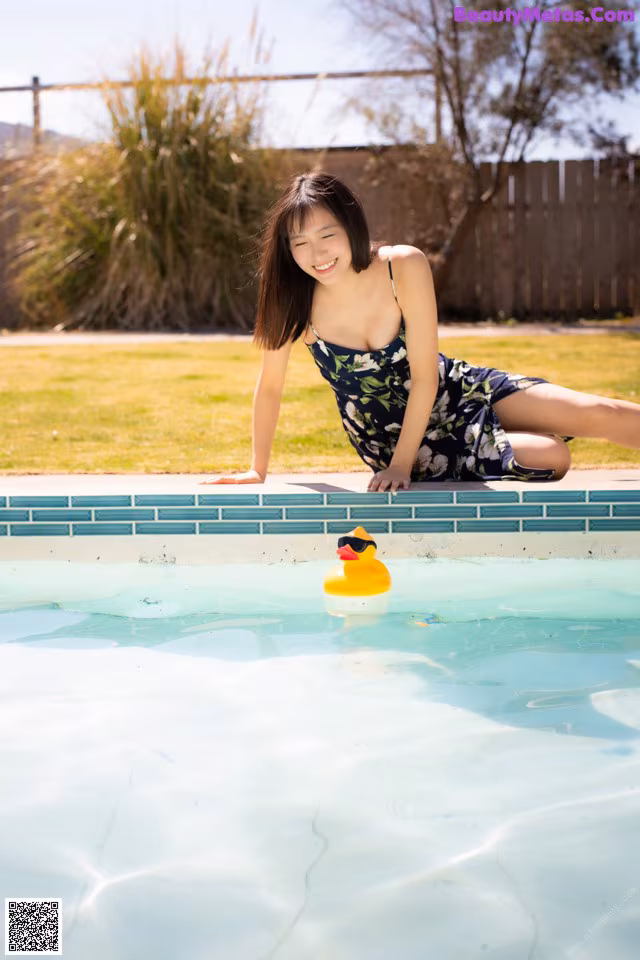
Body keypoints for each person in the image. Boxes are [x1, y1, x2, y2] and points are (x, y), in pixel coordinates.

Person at [201, 171, 640, 493]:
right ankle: (486, 447)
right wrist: (259, 469)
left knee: (601, 411)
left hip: (453, 387)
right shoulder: (290, 296)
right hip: (396, 438)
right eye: (299, 243)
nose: (315, 255)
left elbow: (427, 375)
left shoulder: (401, 266)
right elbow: (271, 387)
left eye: (326, 235)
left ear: (351, 227)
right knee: (552, 456)